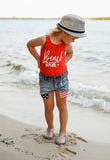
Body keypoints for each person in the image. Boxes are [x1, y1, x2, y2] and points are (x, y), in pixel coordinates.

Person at [27, 14, 86, 145]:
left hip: (62, 81)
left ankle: (62, 132)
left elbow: (70, 54)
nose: (74, 41)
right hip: (45, 81)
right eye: (73, 38)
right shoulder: (44, 40)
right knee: (48, 107)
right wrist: (38, 59)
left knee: (62, 106)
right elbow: (30, 45)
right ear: (65, 32)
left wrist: (63, 63)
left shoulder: (66, 45)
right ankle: (50, 128)